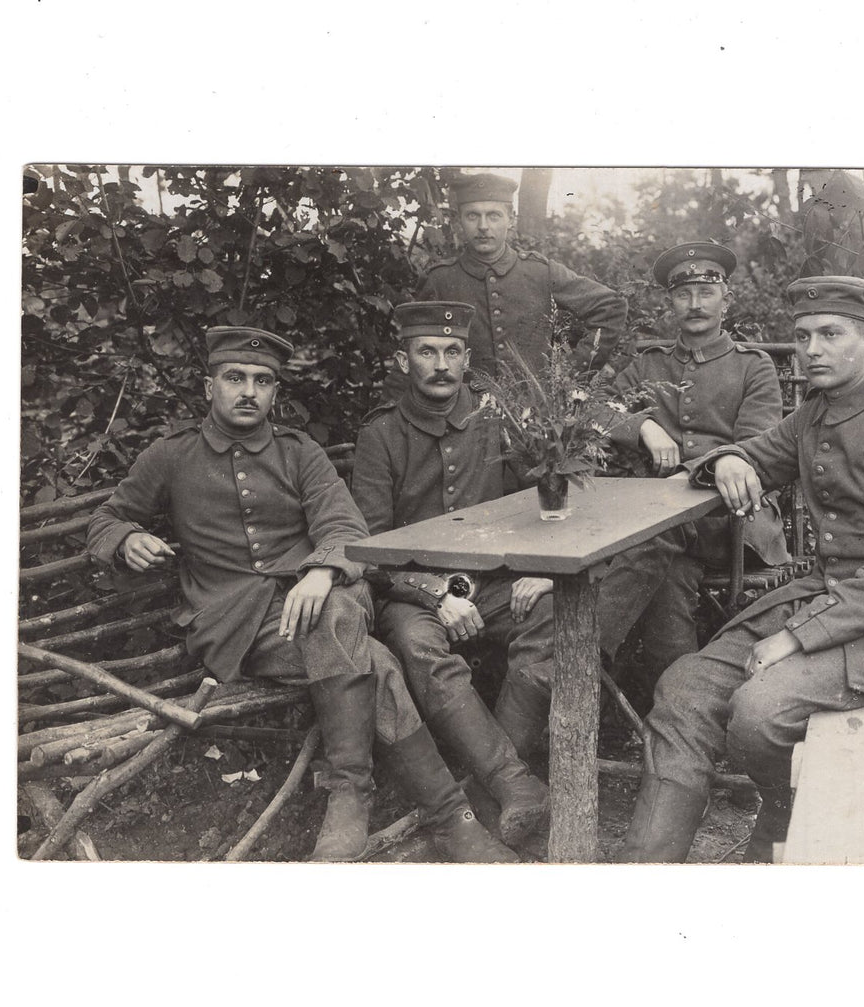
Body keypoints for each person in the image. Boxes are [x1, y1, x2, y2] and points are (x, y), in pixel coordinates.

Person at [87, 326, 516, 862]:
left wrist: (320, 571)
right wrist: (127, 537)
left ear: (274, 392)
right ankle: (451, 818)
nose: (249, 390)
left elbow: (347, 528)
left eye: (262, 381)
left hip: (323, 601)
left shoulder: (298, 451)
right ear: (208, 388)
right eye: (234, 378)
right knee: (376, 662)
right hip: (237, 622)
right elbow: (107, 516)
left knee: (334, 613)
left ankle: (348, 792)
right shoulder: (170, 457)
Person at [618, 276, 864, 863]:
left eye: (832, 334)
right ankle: (646, 872)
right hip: (828, 598)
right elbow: (750, 452)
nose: (812, 350)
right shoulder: (815, 414)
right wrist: (731, 456)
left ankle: (779, 822)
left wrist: (794, 636)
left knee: (760, 714)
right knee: (684, 687)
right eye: (804, 335)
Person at [350, 302, 554, 842]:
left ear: (466, 360)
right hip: (411, 592)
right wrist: (433, 592)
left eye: (452, 352)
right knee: (418, 645)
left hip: (494, 582)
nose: (440, 364)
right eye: (426, 351)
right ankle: (514, 783)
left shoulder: (499, 421)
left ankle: (499, 785)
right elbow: (368, 549)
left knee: (553, 615)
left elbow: (544, 500)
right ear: (403, 360)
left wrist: (545, 570)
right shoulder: (381, 435)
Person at [593, 241, 790, 685]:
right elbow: (590, 409)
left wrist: (696, 470)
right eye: (684, 294)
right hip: (668, 534)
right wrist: (643, 426)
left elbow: (758, 447)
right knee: (667, 576)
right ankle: (679, 703)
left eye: (706, 292)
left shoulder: (752, 367)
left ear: (727, 299)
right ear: (671, 303)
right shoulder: (649, 365)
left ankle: (578, 653)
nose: (695, 304)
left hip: (734, 518)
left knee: (656, 531)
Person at [415, 171, 627, 380]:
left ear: (511, 219)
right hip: (463, 409)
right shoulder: (440, 280)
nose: (483, 226)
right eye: (472, 216)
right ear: (458, 220)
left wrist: (571, 374)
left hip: (535, 409)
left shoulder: (540, 272)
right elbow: (416, 348)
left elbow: (611, 306)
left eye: (493, 215)